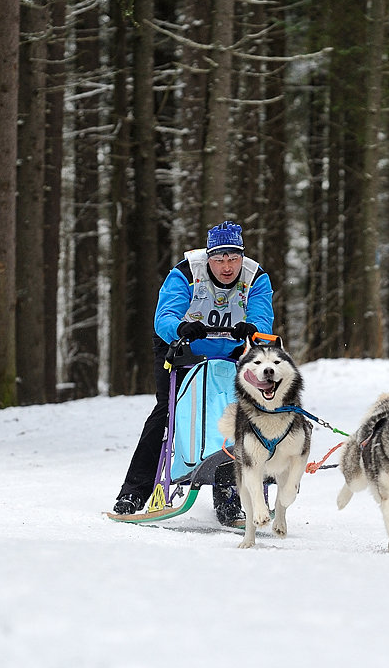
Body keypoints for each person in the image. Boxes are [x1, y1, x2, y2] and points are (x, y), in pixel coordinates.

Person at [113, 221, 274, 520]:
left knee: (233, 414)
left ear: (242, 256)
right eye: (219, 259)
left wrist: (254, 329)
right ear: (208, 257)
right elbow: (164, 317)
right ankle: (133, 492)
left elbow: (263, 319)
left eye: (233, 258)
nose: (227, 267)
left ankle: (228, 498)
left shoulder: (256, 277)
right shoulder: (186, 272)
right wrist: (181, 327)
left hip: (230, 353)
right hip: (181, 346)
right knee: (167, 411)